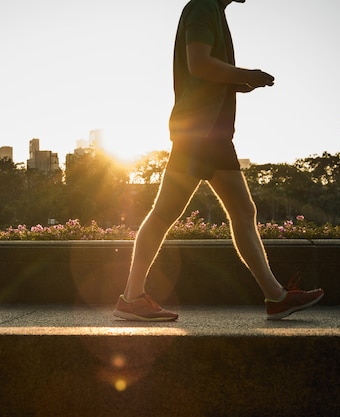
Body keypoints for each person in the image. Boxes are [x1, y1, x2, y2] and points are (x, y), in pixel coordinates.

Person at [113, 0, 324, 321]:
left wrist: (240, 83)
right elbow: (198, 64)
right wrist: (245, 74)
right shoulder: (202, 7)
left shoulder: (211, 10)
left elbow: (203, 72)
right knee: (165, 213)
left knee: (242, 211)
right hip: (200, 131)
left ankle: (276, 296)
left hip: (212, 133)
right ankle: (131, 297)